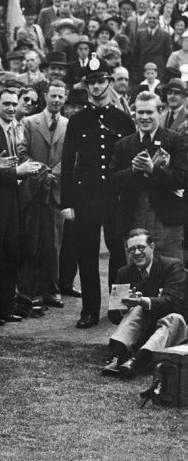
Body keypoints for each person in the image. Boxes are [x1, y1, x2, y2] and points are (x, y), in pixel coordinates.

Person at [60, 58, 135, 329]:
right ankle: (89, 310)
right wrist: (67, 202)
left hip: (116, 197)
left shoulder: (124, 121)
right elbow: (68, 162)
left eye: (101, 81)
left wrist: (130, 199)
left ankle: (117, 307)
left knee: (118, 253)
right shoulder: (78, 120)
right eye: (91, 82)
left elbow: (130, 162)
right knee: (87, 253)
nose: (96, 87)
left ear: (110, 83)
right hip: (86, 197)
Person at [0, 87, 42, 327]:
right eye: (6, 104)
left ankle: (4, 308)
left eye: (14, 104)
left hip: (13, 201)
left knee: (11, 254)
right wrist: (17, 171)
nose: (12, 108)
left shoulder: (13, 128)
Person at [109, 91, 188, 261]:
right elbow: (112, 181)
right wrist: (133, 170)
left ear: (160, 112)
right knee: (137, 277)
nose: (144, 117)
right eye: (140, 112)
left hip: (167, 223)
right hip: (133, 220)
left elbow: (182, 178)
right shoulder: (123, 145)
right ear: (134, 114)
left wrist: (154, 170)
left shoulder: (175, 141)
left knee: (171, 275)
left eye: (149, 112)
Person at [102, 228, 185, 378]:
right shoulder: (124, 273)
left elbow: (174, 303)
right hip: (142, 331)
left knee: (173, 318)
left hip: (174, 329)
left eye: (141, 247)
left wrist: (143, 301)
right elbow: (113, 315)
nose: (137, 253)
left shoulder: (172, 266)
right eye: (132, 249)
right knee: (137, 309)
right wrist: (124, 307)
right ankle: (117, 357)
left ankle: (135, 362)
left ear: (152, 247)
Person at [17, 80, 69, 308]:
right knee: (30, 240)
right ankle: (28, 290)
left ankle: (51, 289)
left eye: (60, 96)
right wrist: (40, 172)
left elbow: (70, 157)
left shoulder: (69, 125)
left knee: (53, 242)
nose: (56, 100)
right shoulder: (29, 122)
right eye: (53, 96)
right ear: (46, 96)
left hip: (55, 191)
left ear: (65, 98)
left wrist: (53, 174)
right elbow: (22, 152)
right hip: (33, 190)